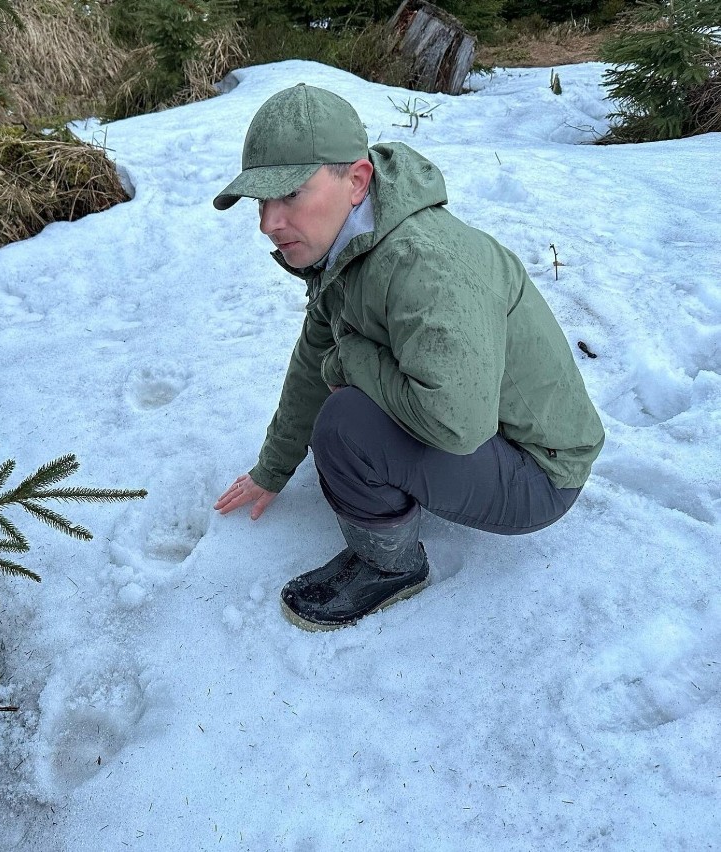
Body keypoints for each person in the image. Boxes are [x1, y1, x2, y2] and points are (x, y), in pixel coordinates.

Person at [212, 83, 604, 631]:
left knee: (346, 423)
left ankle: (389, 567)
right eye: (261, 200)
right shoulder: (349, 244)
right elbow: (312, 359)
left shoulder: (425, 265)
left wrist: (350, 363)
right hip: (487, 427)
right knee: (345, 393)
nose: (268, 223)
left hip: (539, 472)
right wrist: (273, 469)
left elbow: (457, 424)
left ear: (356, 180)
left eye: (291, 194)